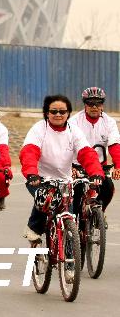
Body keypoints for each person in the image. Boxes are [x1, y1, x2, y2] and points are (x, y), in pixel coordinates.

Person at [19, 95, 103, 243]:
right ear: (47, 113)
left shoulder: (74, 131)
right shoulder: (39, 129)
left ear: (68, 113)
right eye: (54, 111)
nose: (58, 114)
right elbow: (29, 152)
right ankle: (34, 229)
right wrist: (32, 173)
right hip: (40, 178)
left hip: (65, 181)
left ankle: (70, 253)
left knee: (69, 219)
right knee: (46, 198)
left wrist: (96, 172)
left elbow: (87, 153)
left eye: (62, 111)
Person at [69, 87, 120, 212]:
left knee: (108, 188)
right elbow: (67, 146)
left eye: (98, 103)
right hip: (78, 166)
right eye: (90, 103)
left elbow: (114, 145)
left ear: (102, 105)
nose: (94, 107)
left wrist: (118, 166)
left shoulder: (109, 122)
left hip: (100, 166)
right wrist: (70, 167)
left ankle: (99, 214)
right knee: (77, 193)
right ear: (85, 105)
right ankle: (76, 219)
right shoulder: (74, 122)